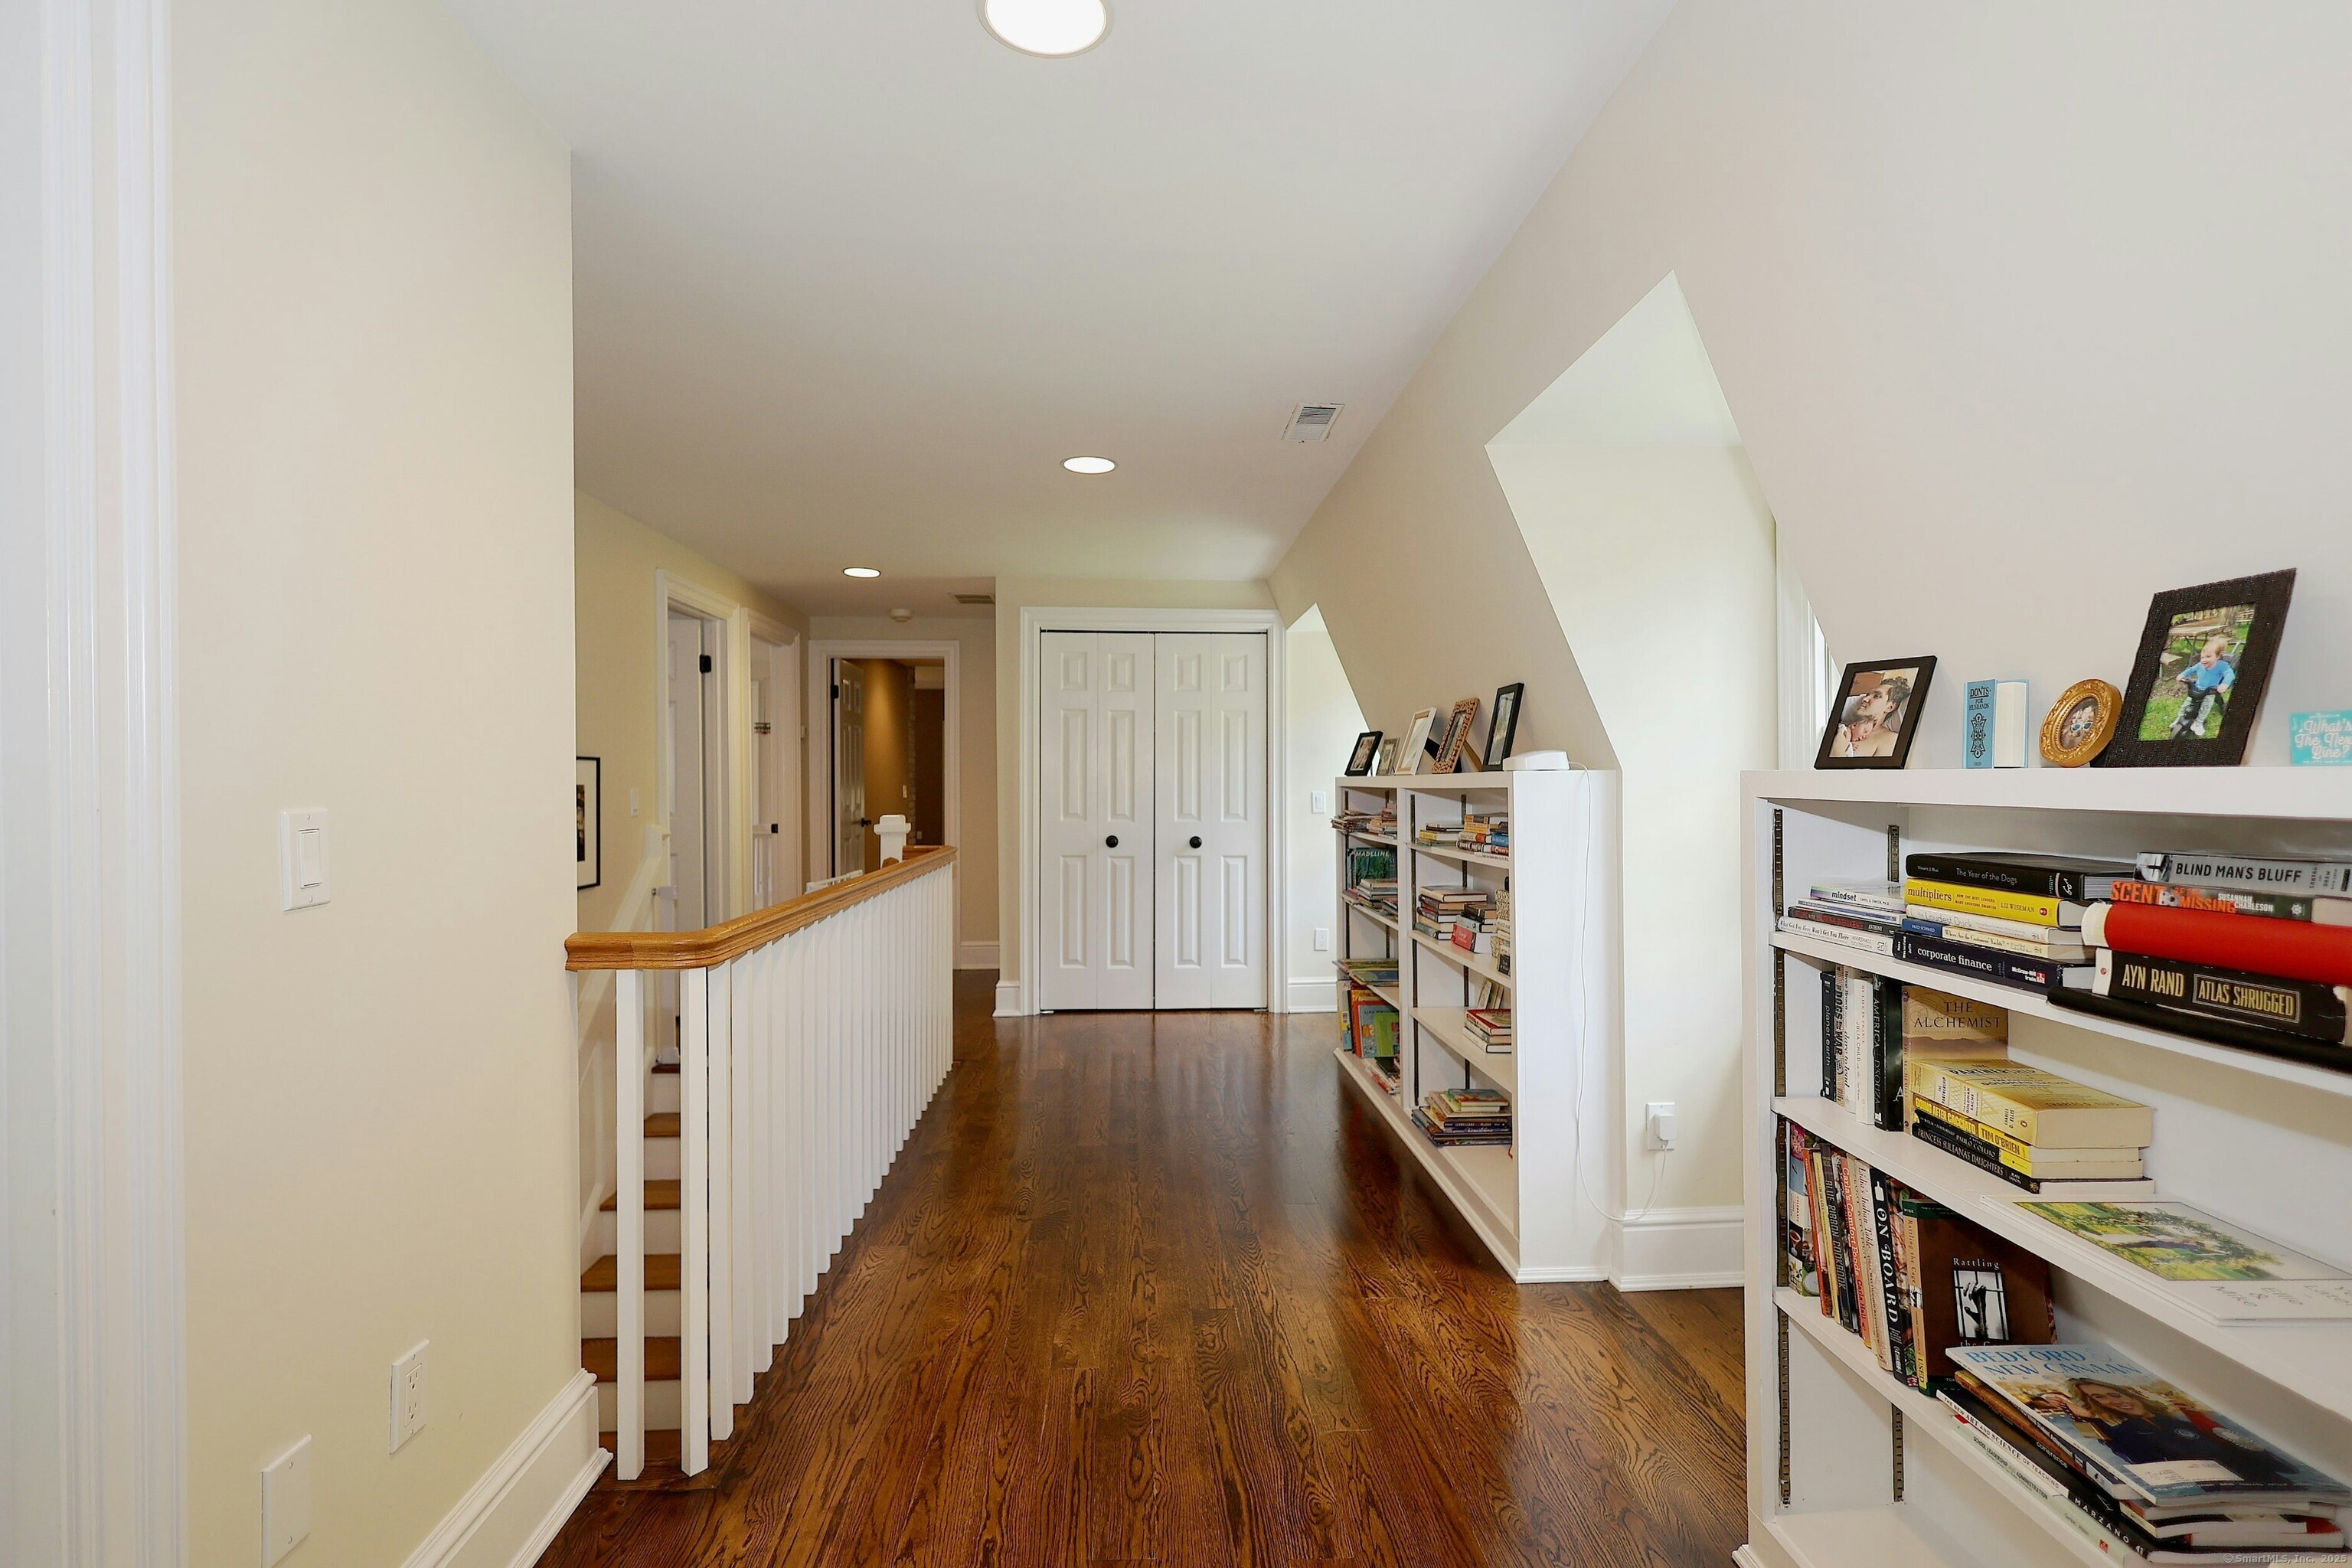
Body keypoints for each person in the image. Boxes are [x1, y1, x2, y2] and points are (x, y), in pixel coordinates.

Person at [2069, 1379, 2294, 1487]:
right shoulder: (2127, 1432)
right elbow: (2144, 1462)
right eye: (2100, 1399)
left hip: (2274, 1483)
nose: (2114, 1402)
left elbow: (2243, 1445)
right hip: (2224, 1493)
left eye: (2114, 1394)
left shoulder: (2180, 1417)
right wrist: (2092, 1421)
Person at [2168, 635, 2236, 740]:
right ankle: (2178, 719)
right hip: (2196, 688)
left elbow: (2230, 674)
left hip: (2210, 691)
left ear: (2217, 657)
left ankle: (2198, 723)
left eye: (2208, 657)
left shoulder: (2222, 666)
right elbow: (2191, 670)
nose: (2204, 660)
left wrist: (2224, 684)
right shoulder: (2200, 664)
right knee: (2186, 705)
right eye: (2202, 657)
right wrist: (2183, 675)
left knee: (2205, 707)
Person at [1830, 674, 1913, 758]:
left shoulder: (1890, 740)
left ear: (1889, 707)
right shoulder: (1845, 724)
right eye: (1867, 695)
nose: (1865, 699)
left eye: (1877, 696)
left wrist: (1838, 750)